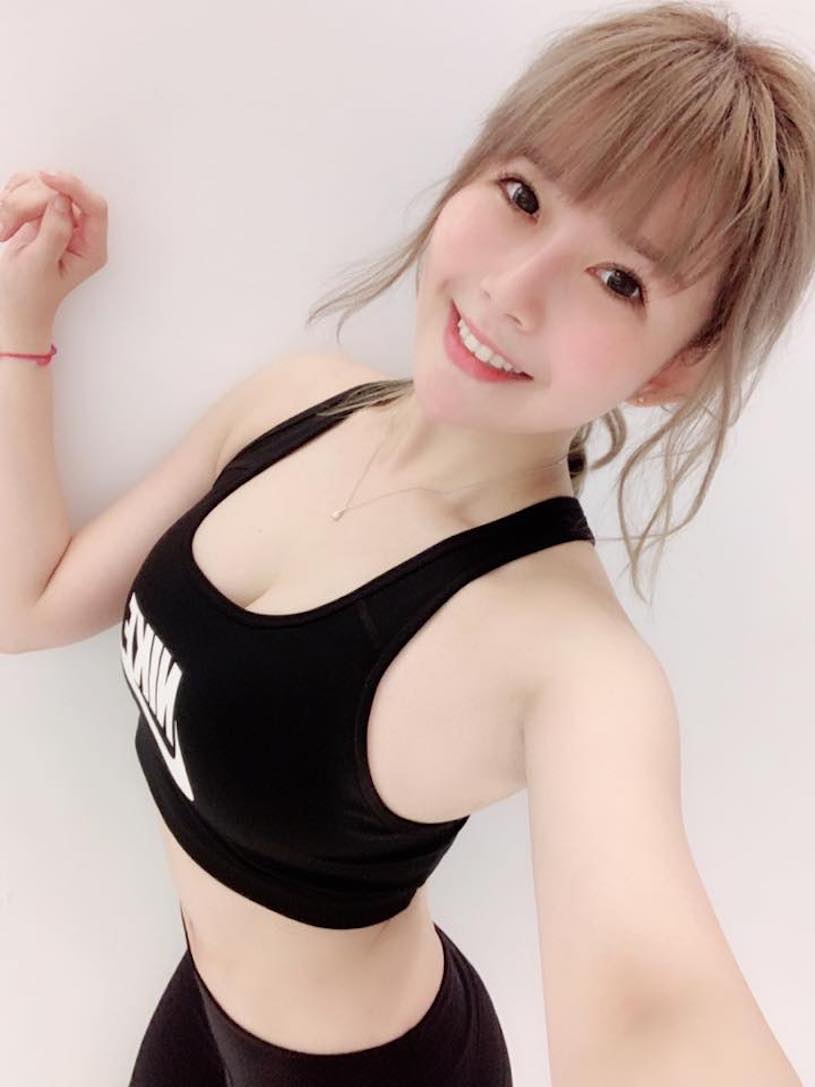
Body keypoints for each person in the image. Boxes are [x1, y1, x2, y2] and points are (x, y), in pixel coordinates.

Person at [0, 2, 810, 1084]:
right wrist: (20, 325)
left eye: (620, 280)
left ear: (675, 366)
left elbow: (651, 1011)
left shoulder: (571, 661)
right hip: (198, 1012)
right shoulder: (290, 403)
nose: (512, 290)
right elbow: (28, 602)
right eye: (522, 196)